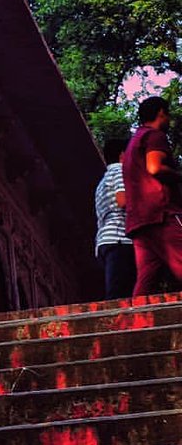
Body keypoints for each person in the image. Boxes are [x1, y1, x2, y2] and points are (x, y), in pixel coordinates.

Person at [122, 95, 182, 296]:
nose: (169, 120)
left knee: (147, 279)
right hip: (161, 214)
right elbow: (154, 167)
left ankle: (137, 315)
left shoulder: (133, 144)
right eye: (168, 115)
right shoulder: (154, 136)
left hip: (139, 221)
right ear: (161, 113)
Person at [94, 136, 135, 299]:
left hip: (105, 239)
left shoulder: (103, 181)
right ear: (122, 154)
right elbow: (123, 200)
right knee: (121, 293)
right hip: (119, 238)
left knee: (117, 289)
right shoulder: (120, 171)